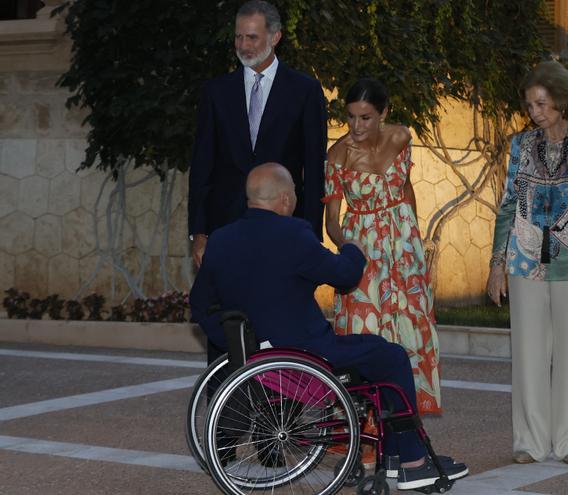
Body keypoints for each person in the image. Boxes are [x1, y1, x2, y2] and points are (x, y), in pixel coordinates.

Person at [189, 163, 468, 490]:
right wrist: (353, 249)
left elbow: (199, 304)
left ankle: (392, 457)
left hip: (255, 360)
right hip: (308, 355)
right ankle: (412, 462)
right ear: (283, 199)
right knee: (390, 357)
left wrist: (238, 342)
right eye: (293, 191)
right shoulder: (293, 234)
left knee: (373, 355)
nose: (294, 197)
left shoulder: (221, 240)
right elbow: (344, 275)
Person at [188, 0, 327, 368]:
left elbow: (314, 173)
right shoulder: (216, 92)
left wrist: (310, 238)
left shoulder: (305, 91)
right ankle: (228, 419)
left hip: (282, 234)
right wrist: (199, 233)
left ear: (275, 37)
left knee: (282, 327)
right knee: (229, 324)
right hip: (227, 232)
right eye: (238, 36)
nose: (244, 45)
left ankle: (281, 413)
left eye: (252, 36)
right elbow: (202, 166)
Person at [487, 60, 568, 466]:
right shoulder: (520, 146)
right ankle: (530, 442)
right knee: (528, 353)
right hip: (525, 259)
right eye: (529, 105)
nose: (534, 112)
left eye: (541, 104)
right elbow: (509, 204)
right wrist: (496, 263)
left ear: (561, 101)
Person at [323, 78, 442, 415]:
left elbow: (406, 188)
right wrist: (350, 250)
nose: (356, 126)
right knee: (366, 335)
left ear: (384, 113)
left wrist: (415, 242)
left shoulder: (402, 137)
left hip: (403, 248)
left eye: (365, 118)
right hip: (363, 249)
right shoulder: (337, 155)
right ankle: (366, 429)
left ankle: (404, 421)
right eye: (350, 117)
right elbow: (332, 220)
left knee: (408, 331)